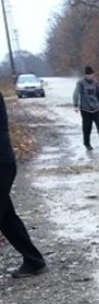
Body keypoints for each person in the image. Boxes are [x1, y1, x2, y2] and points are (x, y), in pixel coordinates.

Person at [0, 91, 47, 278]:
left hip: (1, 163)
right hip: (4, 163)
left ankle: (34, 260)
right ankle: (33, 260)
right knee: (6, 218)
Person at [73, 66, 99, 151]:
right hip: (85, 110)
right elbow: (76, 93)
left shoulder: (95, 83)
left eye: (91, 75)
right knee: (87, 128)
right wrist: (76, 105)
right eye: (88, 76)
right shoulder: (80, 83)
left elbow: (98, 95)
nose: (90, 77)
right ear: (85, 75)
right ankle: (87, 144)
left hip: (96, 109)